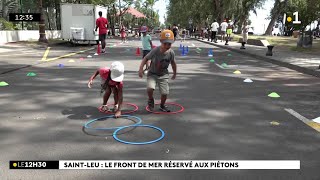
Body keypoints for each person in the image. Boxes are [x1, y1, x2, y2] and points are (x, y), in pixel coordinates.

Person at [138, 29, 177, 112]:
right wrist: (141, 69)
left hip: (163, 75)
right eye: (165, 43)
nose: (167, 46)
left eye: (169, 44)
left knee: (165, 93)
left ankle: (162, 105)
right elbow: (146, 58)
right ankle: (151, 99)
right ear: (161, 41)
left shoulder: (171, 53)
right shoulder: (156, 51)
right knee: (150, 88)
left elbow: (173, 63)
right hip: (152, 73)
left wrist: (174, 73)